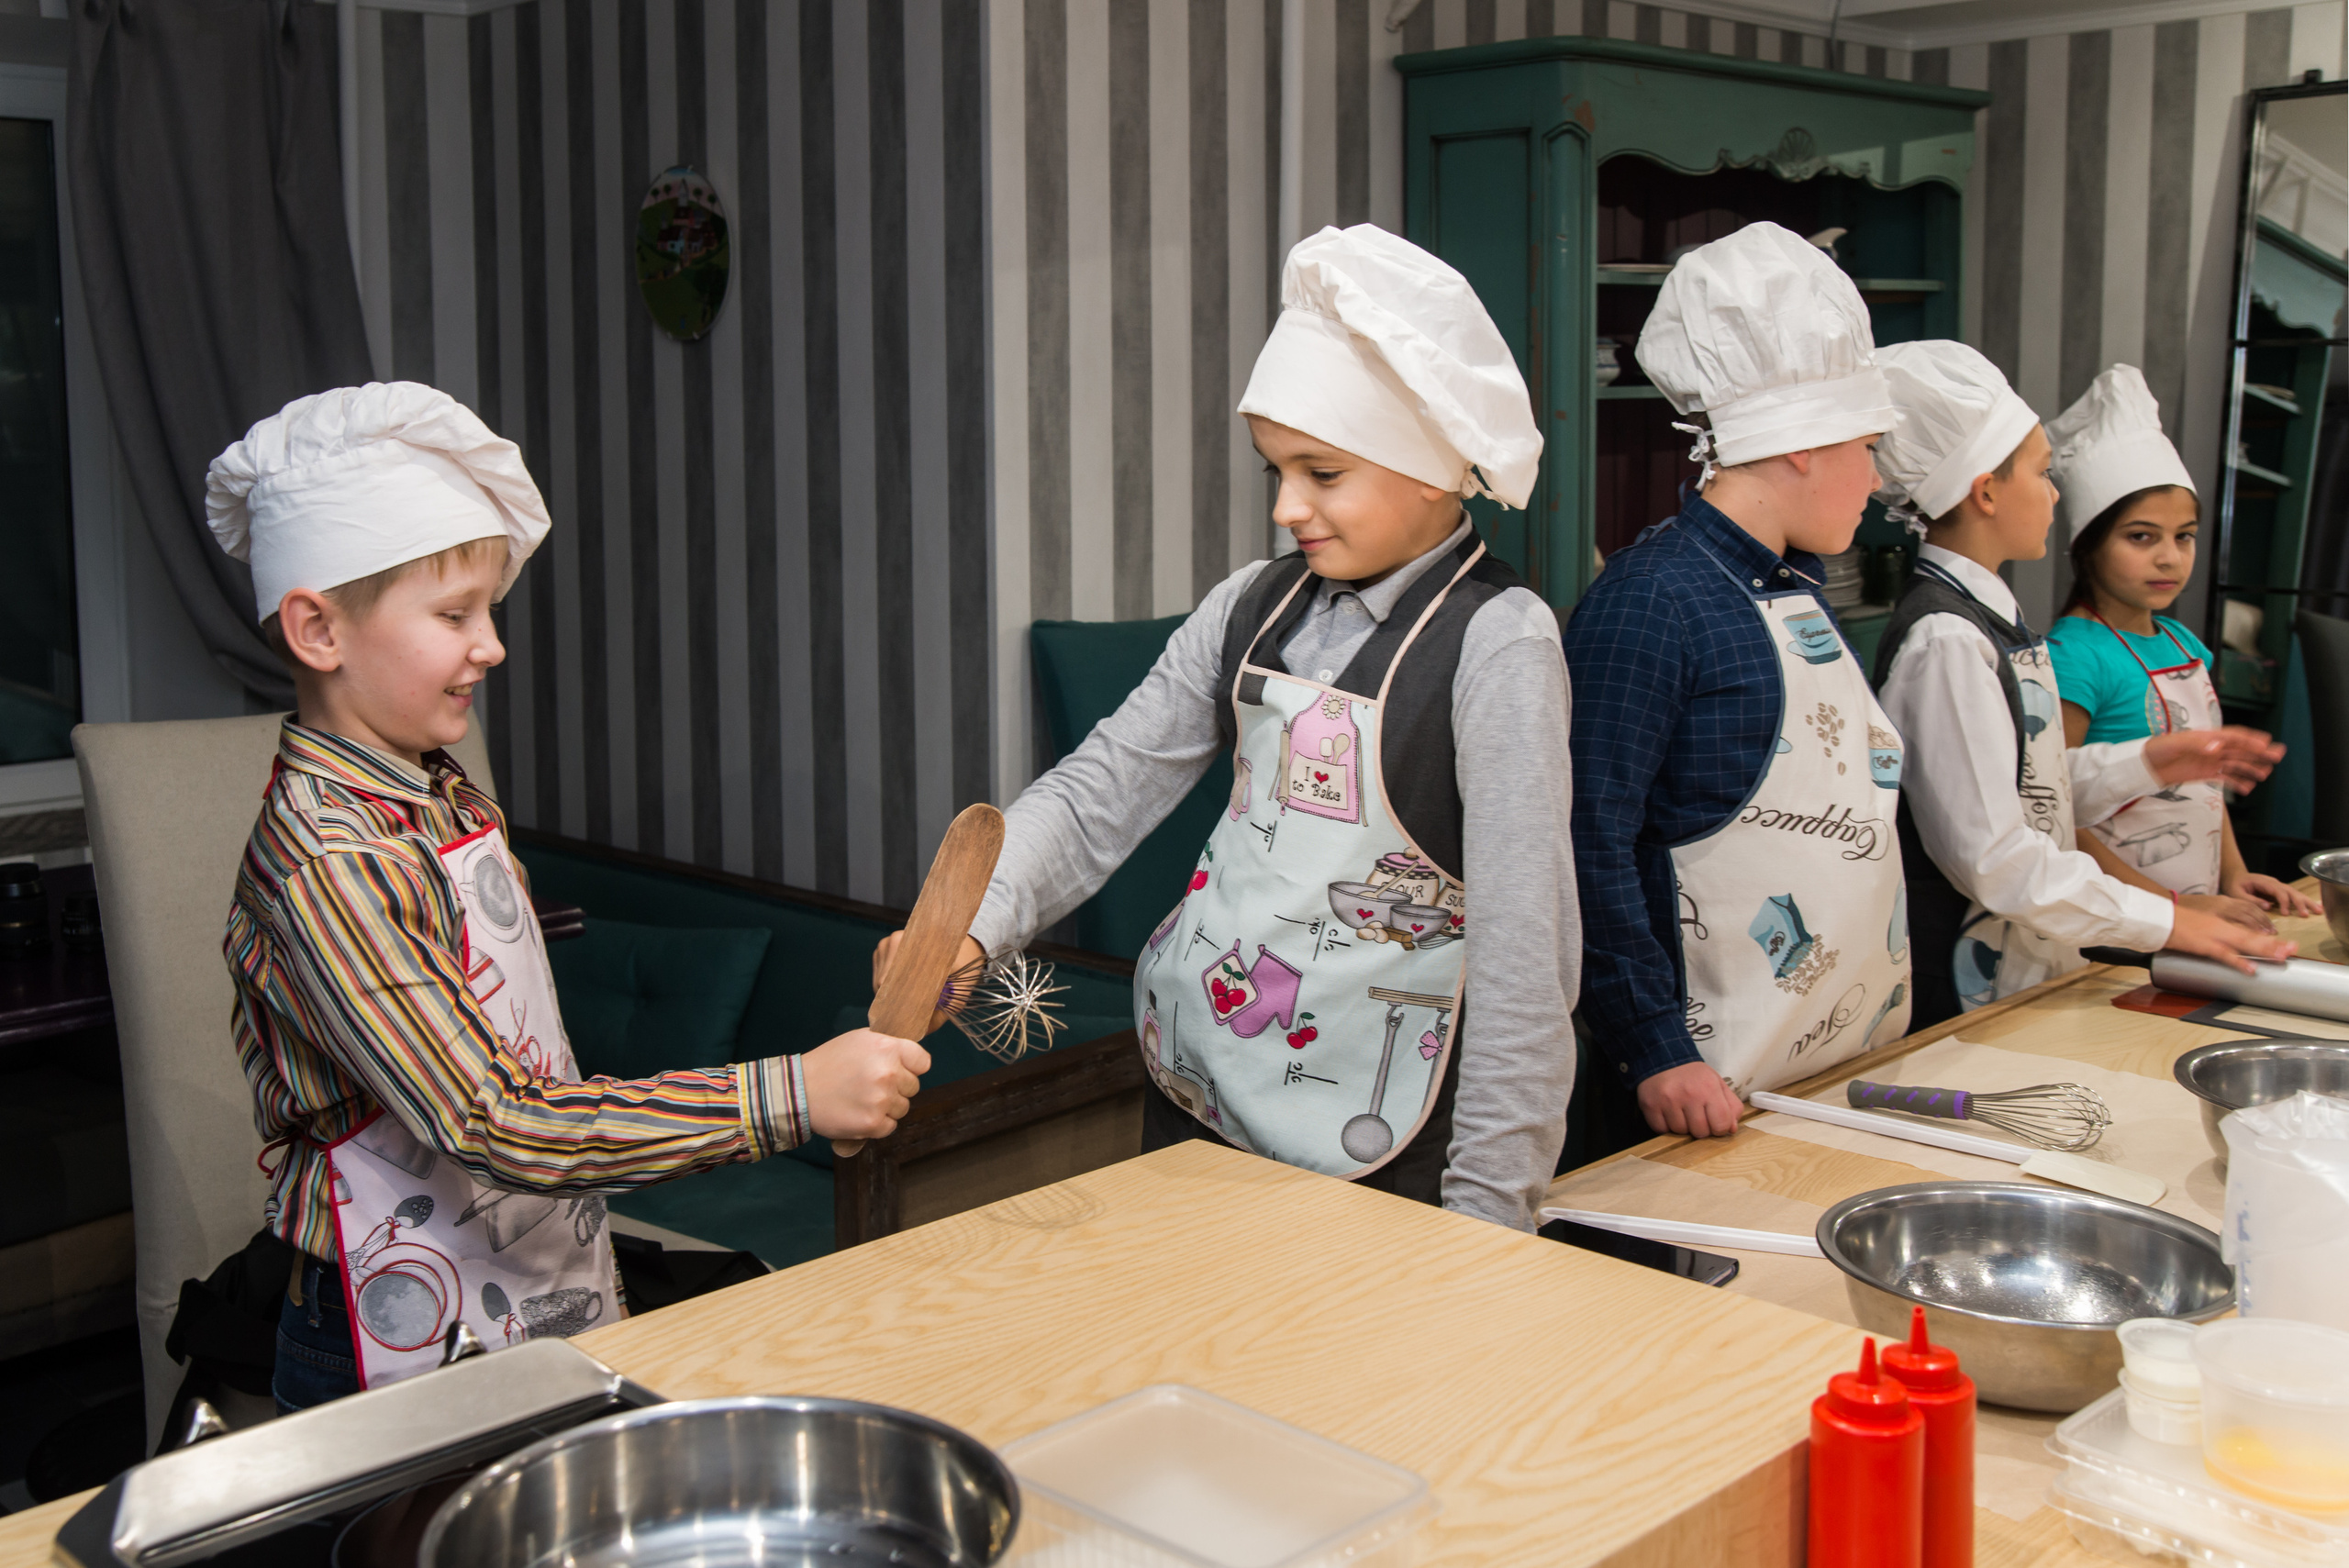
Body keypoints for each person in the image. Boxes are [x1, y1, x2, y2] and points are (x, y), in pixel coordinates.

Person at [210, 384, 929, 1407]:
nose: (491, 644)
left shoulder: (438, 791)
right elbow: (493, 1119)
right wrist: (791, 1095)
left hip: (540, 1263)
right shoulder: (335, 864)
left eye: (489, 609)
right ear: (318, 630)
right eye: (453, 614)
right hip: (390, 1321)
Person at [883, 225, 1577, 1229]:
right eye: (1274, 472)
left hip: (1381, 1144)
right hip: (1193, 1095)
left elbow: (1525, 961)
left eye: (1322, 473)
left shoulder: (1497, 643)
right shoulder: (1251, 605)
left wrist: (1490, 1222)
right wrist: (969, 926)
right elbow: (1097, 794)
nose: (1287, 506)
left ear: (1429, 465)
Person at [1565, 221, 1909, 1145]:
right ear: (1803, 445)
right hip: (1705, 1085)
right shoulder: (1650, 602)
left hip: (1829, 1057)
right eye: (1866, 446)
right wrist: (1652, 1045)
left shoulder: (1793, 588)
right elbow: (1587, 839)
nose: (1877, 479)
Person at [1869, 343, 2297, 1026]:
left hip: (2029, 965)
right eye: (2042, 472)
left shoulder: (1989, 618)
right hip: (1967, 980)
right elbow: (1995, 859)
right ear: (1986, 491)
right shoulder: (1945, 640)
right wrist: (2170, 919)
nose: (2054, 492)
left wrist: (2150, 760)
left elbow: (2032, 789)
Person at [2043, 365, 2320, 924]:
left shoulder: (2183, 643)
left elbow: (2208, 784)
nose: (2169, 557)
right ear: (2088, 546)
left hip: (2197, 910)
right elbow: (2055, 813)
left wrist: (2235, 876)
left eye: (2184, 537)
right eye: (2141, 537)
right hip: (2124, 923)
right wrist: (2174, 908)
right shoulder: (2073, 655)